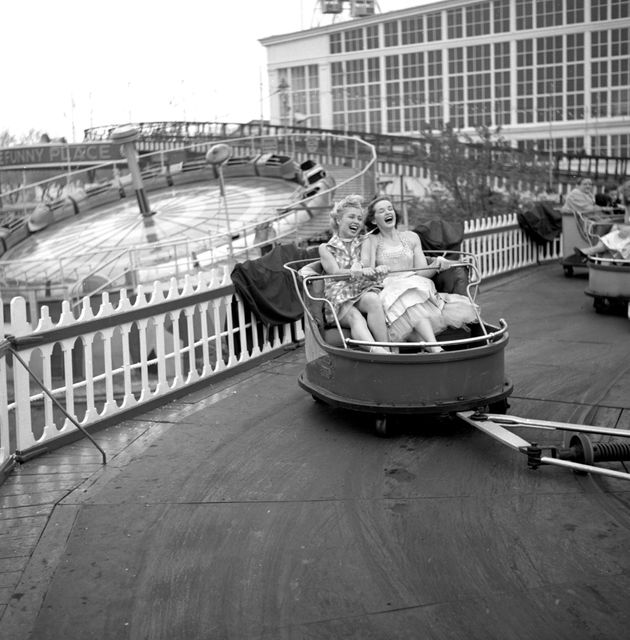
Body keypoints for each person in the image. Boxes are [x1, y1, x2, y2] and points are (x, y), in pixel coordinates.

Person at [361, 196, 478, 353]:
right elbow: (367, 270)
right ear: (374, 220)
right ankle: (433, 347)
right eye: (381, 211)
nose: (388, 212)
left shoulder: (412, 237)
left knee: (411, 295)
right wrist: (377, 269)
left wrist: (436, 264)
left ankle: (430, 347)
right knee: (407, 298)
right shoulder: (371, 240)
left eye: (390, 208)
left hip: (415, 283)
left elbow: (422, 273)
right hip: (389, 288)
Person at [319, 195, 390, 354]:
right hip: (339, 294)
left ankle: (387, 349)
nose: (357, 221)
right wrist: (352, 271)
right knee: (354, 316)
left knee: (372, 299)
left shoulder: (364, 241)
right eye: (351, 217)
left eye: (359, 218)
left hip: (359, 289)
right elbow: (335, 273)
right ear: (338, 220)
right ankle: (380, 353)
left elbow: (365, 262)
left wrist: (365, 267)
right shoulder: (326, 248)